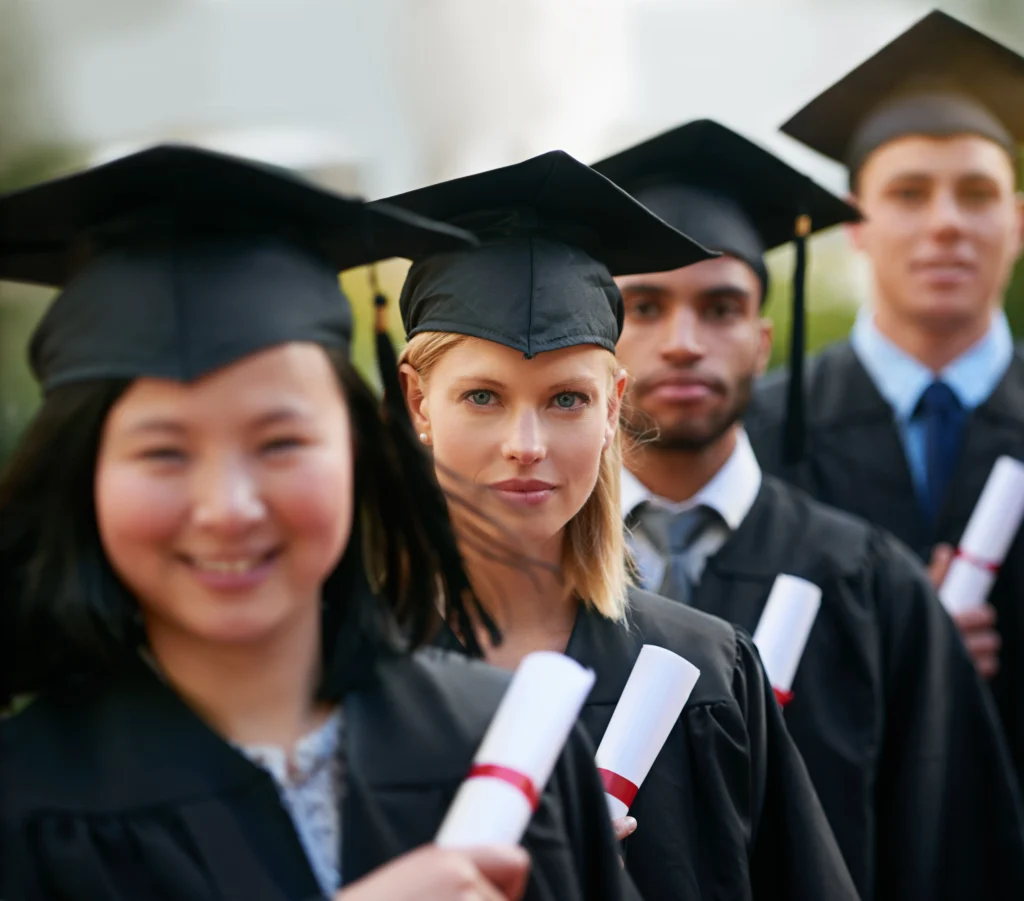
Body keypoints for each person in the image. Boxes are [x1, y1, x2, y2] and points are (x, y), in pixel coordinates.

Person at [0, 145, 638, 901]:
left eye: (281, 442)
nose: (229, 507)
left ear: (359, 452)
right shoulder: (25, 805)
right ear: (84, 476)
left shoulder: (509, 745)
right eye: (164, 452)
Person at [380, 148, 861, 901]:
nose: (527, 445)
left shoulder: (709, 672)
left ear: (613, 407)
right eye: (482, 396)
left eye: (567, 398)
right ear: (417, 404)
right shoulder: (331, 681)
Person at [592, 117, 1024, 901]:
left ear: (762, 341)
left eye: (720, 308)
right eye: (644, 307)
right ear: (595, 342)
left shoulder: (870, 582)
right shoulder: (524, 579)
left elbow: (953, 850)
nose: (684, 341)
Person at [744, 8, 1024, 784]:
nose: (945, 224)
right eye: (908, 193)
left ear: (1019, 219)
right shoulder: (757, 434)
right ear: (858, 226)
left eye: (976, 192)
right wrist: (888, 653)